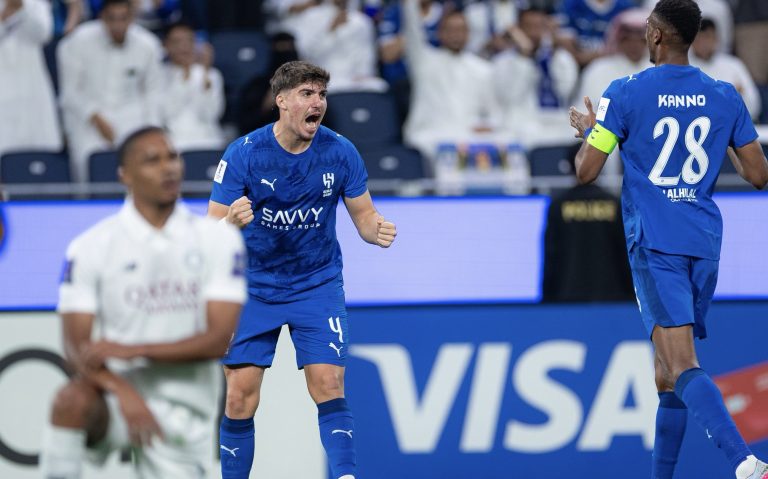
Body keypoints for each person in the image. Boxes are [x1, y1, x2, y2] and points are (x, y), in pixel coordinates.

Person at [568, 1, 768, 478]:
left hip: (656, 243)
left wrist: (593, 132)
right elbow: (759, 175)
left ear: (656, 35)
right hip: (704, 242)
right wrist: (722, 136)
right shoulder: (724, 94)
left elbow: (586, 171)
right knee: (665, 374)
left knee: (681, 364)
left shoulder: (624, 91)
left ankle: (744, 462)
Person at [207, 60, 397, 479]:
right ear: (282, 101)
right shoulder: (244, 153)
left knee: (329, 385)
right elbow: (210, 233)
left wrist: (375, 230)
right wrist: (230, 223)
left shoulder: (340, 152)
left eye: (321, 94)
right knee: (239, 397)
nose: (318, 103)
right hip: (252, 288)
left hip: (316, 284)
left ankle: (345, 476)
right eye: (307, 94)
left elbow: (365, 216)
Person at [39, 126, 248, 478]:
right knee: (71, 401)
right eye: (152, 160)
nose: (168, 168)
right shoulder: (90, 246)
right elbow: (75, 348)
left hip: (186, 410)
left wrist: (131, 350)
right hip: (115, 399)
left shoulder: (218, 240)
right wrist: (122, 389)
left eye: (172, 157)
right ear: (125, 175)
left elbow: (217, 341)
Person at [58, 0, 163, 183]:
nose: (117, 25)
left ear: (132, 17)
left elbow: (153, 94)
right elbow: (70, 92)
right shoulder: (77, 42)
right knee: (88, 167)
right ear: (102, 18)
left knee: (143, 168)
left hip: (133, 120)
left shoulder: (149, 45)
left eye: (123, 18)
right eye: (112, 19)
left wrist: (152, 134)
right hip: (88, 121)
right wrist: (95, 117)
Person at [542, 143, 634, 303]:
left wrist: (547, 298)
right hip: (613, 297)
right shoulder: (614, 204)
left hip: (568, 297)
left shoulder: (558, 206)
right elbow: (627, 255)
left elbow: (551, 257)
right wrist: (632, 296)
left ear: (568, 166)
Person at [0, 0, 63, 158]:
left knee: (39, 157)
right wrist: (6, 14)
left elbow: (42, 34)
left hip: (32, 90)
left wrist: (21, 9)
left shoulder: (36, 4)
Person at [160, 21, 226, 150]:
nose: (184, 47)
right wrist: (184, 76)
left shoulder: (212, 75)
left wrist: (205, 72)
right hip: (174, 144)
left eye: (189, 40)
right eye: (177, 42)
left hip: (209, 141)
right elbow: (166, 114)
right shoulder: (159, 75)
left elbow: (212, 114)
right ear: (166, 45)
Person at [690, 18, 761, 120]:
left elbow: (755, 106)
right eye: (699, 38)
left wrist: (738, 97)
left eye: (707, 37)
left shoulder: (734, 65)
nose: (703, 43)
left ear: (716, 39)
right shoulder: (682, 67)